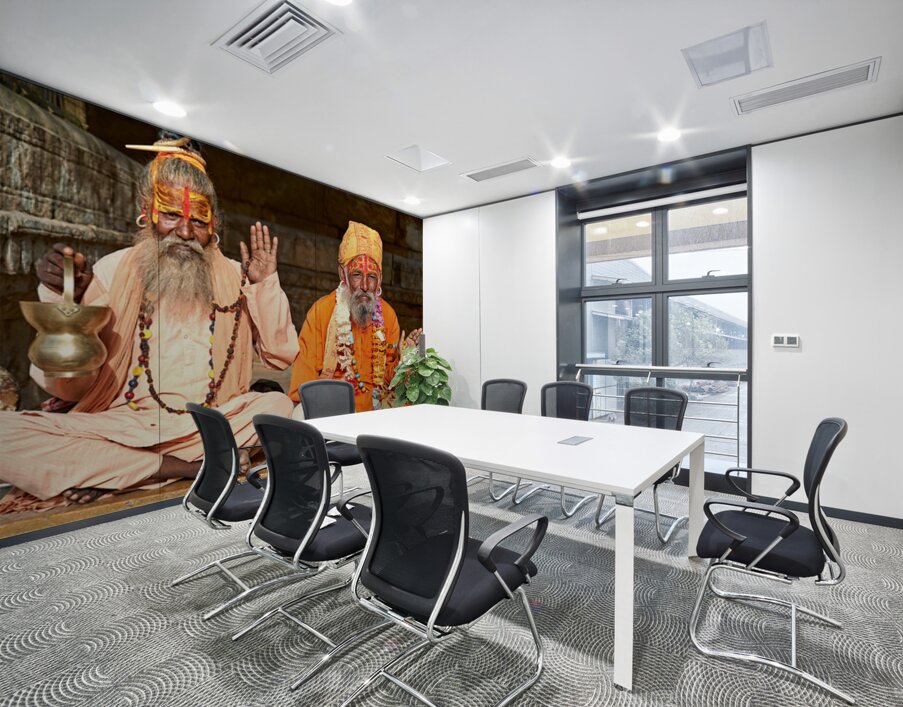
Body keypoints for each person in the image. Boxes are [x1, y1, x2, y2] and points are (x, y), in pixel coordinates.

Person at [0, 136, 298, 506]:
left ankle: (120, 470)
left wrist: (263, 285)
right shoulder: (112, 271)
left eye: (198, 219)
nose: (186, 233)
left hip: (213, 423)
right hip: (125, 424)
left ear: (214, 223)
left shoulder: (236, 277)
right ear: (147, 211)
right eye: (171, 214)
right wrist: (69, 297)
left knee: (278, 409)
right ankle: (174, 467)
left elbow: (280, 356)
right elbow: (67, 390)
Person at [289, 221, 421, 412]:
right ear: (342, 274)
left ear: (380, 280)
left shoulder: (388, 315)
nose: (365, 286)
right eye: (357, 275)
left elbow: (389, 383)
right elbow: (303, 385)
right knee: (300, 413)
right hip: (333, 408)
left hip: (376, 409)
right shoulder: (322, 312)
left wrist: (406, 359)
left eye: (372, 277)